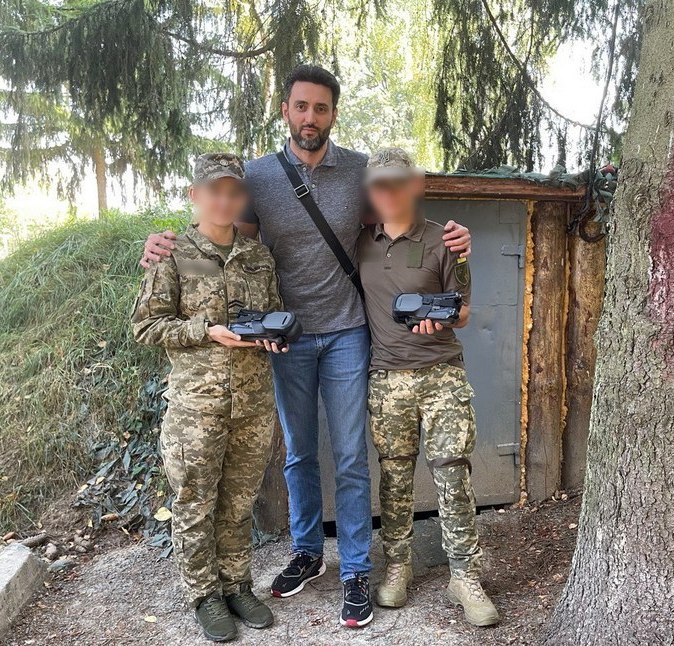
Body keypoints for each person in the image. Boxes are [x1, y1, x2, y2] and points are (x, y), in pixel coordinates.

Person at [141, 65, 472, 628]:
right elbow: (223, 235)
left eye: (321, 107)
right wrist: (160, 245)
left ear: (333, 113)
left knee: (349, 455)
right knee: (298, 453)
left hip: (347, 332)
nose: (310, 117)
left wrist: (452, 237)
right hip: (286, 337)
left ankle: (356, 570)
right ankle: (308, 551)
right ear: (286, 111)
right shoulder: (257, 176)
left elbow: (396, 215)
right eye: (301, 106)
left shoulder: (359, 170)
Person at [132, 153, 287, 642]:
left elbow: (273, 312)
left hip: (253, 403)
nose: (225, 200)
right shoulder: (171, 254)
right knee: (195, 503)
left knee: (239, 502)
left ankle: (237, 585)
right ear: (195, 195)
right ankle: (204, 595)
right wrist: (206, 330)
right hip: (196, 408)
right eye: (214, 191)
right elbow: (146, 326)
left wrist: (273, 335)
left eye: (234, 192)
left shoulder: (257, 255)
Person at [357, 147, 500, 627]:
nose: (389, 192)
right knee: (395, 478)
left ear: (413, 185)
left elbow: (462, 312)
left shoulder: (446, 240)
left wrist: (439, 320)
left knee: (452, 476)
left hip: (441, 374)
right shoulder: (360, 241)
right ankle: (398, 566)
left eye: (397, 182)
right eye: (379, 184)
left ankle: (464, 575)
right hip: (387, 378)